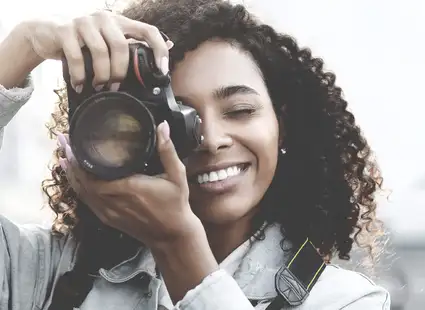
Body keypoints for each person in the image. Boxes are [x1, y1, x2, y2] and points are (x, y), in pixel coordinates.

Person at [0, 0, 391, 309]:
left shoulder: (345, 301)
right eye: (175, 117)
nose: (211, 139)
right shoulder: (48, 273)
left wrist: (178, 246)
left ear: (282, 125)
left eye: (239, 111)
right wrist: (22, 48)